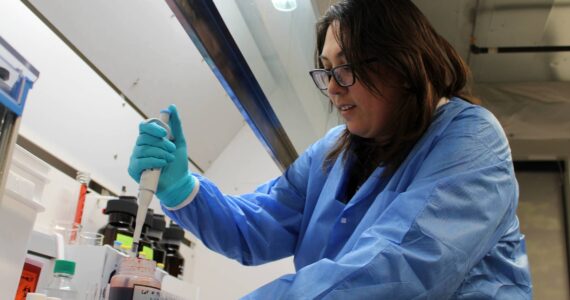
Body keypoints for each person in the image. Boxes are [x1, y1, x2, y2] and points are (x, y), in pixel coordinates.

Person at [128, 0, 532, 298]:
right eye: (326, 69)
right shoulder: (332, 154)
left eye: (346, 66)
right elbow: (254, 226)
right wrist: (183, 189)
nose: (334, 86)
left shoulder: (471, 140)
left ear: (403, 62)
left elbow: (400, 269)